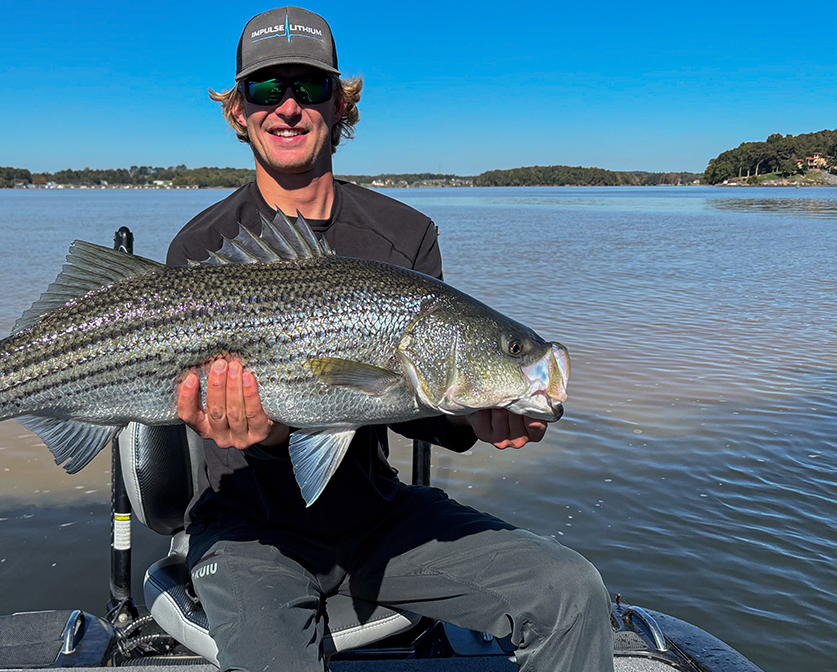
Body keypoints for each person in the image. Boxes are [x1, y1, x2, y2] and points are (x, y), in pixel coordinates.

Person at [166, 7, 612, 671]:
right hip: (243, 531)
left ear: (340, 107)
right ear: (239, 111)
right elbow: (207, 409)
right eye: (265, 90)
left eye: (309, 88)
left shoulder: (406, 235)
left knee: (571, 591)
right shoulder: (203, 244)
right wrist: (263, 430)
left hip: (376, 518)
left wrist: (475, 417)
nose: (287, 107)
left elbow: (417, 399)